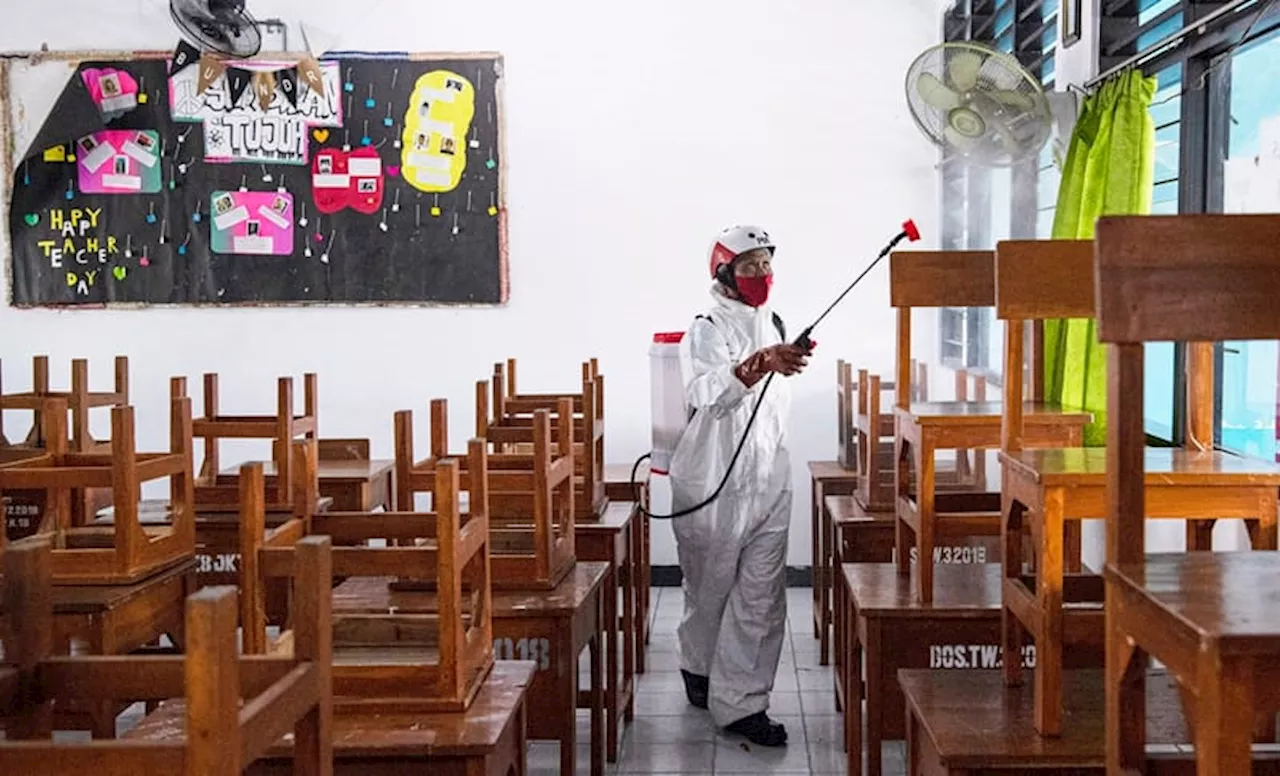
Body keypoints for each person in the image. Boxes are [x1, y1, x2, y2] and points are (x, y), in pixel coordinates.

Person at [667, 224, 813, 747]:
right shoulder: (705, 327)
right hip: (713, 481)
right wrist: (759, 364)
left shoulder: (772, 319)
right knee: (710, 590)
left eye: (767, 263)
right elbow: (709, 392)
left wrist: (781, 355)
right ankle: (698, 666)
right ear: (725, 271)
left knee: (760, 596)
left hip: (769, 479)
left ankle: (743, 705)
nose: (762, 274)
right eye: (751, 265)